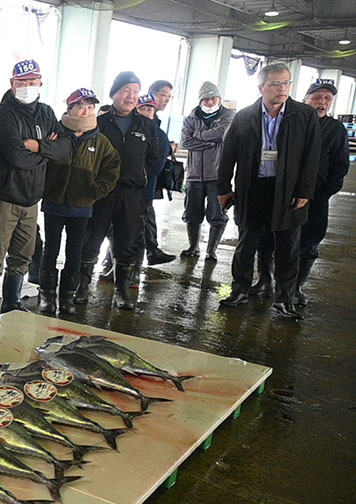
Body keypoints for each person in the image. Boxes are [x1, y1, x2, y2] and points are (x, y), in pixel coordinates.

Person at [217, 62, 321, 320]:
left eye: (286, 82)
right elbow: (228, 154)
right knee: (245, 245)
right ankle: (239, 291)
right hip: (253, 189)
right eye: (276, 83)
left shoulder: (304, 115)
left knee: (288, 248)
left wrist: (305, 191)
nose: (283, 88)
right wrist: (223, 187)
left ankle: (284, 300)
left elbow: (312, 156)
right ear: (262, 87)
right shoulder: (244, 116)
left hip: (288, 192)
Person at [0, 60, 66, 318]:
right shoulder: (5, 114)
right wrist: (46, 151)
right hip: (4, 197)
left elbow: (63, 148)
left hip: (31, 200)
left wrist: (37, 147)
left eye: (32, 81)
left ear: (40, 82)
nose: (27, 86)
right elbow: (16, 157)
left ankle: (12, 302)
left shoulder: (47, 112)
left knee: (23, 254)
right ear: (12, 83)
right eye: (22, 82)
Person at [75, 71, 162, 310]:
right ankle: (82, 287)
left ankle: (122, 291)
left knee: (128, 243)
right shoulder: (99, 124)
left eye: (135, 91)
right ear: (114, 93)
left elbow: (155, 158)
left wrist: (140, 176)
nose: (131, 96)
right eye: (126, 90)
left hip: (131, 194)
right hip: (100, 193)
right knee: (90, 240)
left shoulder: (146, 125)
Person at [39, 88, 120, 315]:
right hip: (54, 204)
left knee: (75, 253)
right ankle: (47, 296)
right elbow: (40, 160)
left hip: (82, 208)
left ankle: (67, 297)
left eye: (91, 107)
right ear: (70, 108)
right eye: (81, 106)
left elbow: (112, 169)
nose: (87, 111)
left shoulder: (101, 141)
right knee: (50, 250)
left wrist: (94, 192)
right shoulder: (55, 133)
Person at [297, 79, 349, 306]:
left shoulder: (336, 129)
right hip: (287, 194)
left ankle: (296, 287)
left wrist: (327, 191)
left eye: (327, 98)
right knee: (274, 238)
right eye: (317, 97)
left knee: (310, 241)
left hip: (317, 197)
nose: (322, 102)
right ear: (306, 99)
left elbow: (340, 164)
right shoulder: (293, 123)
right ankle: (267, 281)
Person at [180, 81, 235, 261]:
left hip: (217, 175)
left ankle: (211, 251)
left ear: (219, 99)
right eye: (206, 99)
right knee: (192, 213)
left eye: (213, 98)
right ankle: (193, 247)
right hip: (194, 175)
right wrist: (210, 141)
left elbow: (222, 134)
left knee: (217, 214)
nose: (210, 102)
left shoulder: (229, 116)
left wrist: (199, 135)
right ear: (200, 101)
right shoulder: (190, 118)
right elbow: (185, 143)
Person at [134, 93, 172, 283]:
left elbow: (156, 164)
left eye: (150, 109)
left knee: (140, 227)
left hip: (145, 189)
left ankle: (134, 272)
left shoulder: (159, 135)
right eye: (142, 108)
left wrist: (138, 177)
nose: (146, 112)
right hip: (123, 190)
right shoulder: (130, 129)